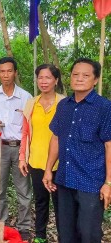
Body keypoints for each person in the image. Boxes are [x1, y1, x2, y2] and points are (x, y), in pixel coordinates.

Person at [43, 58, 111, 243]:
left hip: (91, 182)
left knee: (88, 234)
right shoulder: (64, 105)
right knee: (66, 233)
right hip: (65, 179)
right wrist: (49, 169)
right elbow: (56, 137)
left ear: (95, 79)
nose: (79, 78)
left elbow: (109, 145)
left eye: (86, 75)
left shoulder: (104, 107)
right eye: (75, 74)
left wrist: (108, 183)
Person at [0, 57, 32, 241]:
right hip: (0, 147)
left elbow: (29, 124)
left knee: (23, 190)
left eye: (9, 71)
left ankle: (24, 227)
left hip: (20, 148)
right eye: (2, 71)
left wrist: (26, 152)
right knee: (0, 188)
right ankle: (0, 223)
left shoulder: (25, 97)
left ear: (15, 73)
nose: (6, 75)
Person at [18, 64, 64, 243]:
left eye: (48, 78)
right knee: (41, 201)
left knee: (61, 203)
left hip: (60, 163)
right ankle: (39, 236)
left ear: (56, 80)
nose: (44, 82)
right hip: (36, 160)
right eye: (40, 78)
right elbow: (25, 132)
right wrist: (23, 157)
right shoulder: (31, 104)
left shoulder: (65, 103)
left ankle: (64, 236)